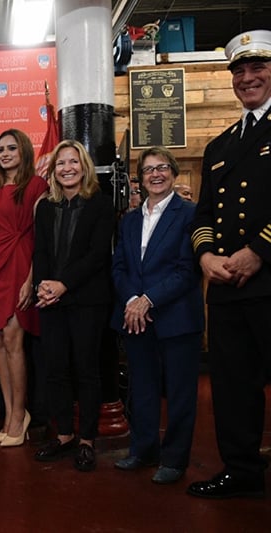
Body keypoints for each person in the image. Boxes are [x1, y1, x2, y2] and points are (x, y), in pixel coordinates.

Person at [187, 30, 271, 500]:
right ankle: (241, 470)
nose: (247, 77)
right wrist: (206, 256)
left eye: (257, 67)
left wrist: (259, 250)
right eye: (239, 70)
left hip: (269, 277)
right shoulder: (219, 147)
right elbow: (202, 216)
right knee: (233, 387)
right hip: (225, 287)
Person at [111, 146, 204, 484]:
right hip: (137, 318)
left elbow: (187, 270)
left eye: (162, 168)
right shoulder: (130, 219)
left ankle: (175, 459)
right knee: (143, 388)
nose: (156, 174)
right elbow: (119, 267)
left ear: (174, 172)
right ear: (140, 177)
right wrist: (134, 299)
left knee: (180, 393)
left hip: (177, 318)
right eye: (148, 169)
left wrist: (148, 299)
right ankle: (143, 449)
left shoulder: (191, 214)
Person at [32, 139, 115, 472]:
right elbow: (39, 252)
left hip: (86, 300)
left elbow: (97, 255)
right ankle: (64, 434)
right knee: (55, 370)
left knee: (86, 370)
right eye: (61, 163)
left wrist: (63, 284)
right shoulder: (46, 207)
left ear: (84, 167)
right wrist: (42, 286)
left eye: (73, 162)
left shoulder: (101, 204)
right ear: (53, 170)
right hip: (50, 300)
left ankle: (86, 441)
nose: (67, 168)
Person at [0, 129, 48, 447]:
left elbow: (41, 237)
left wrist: (31, 278)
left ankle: (20, 414)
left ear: (24, 151)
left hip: (21, 265)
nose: (5, 153)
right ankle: (8, 416)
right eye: (1, 148)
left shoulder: (36, 186)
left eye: (12, 148)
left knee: (14, 340)